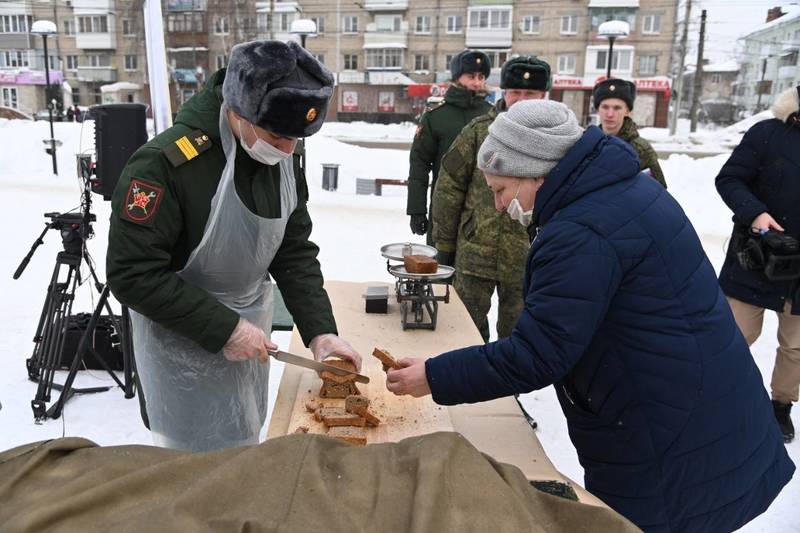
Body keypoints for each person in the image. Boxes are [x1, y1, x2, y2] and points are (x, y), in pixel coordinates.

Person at [385, 100, 794, 532]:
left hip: (663, 437)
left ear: (537, 172)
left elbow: (536, 354)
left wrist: (434, 376)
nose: (500, 205)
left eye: (501, 190)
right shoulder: (627, 189)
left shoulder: (581, 233)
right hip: (706, 411)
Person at [107, 40, 361, 452]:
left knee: (243, 448)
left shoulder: (283, 158)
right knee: (191, 475)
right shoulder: (165, 165)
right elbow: (132, 274)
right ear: (239, 111)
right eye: (277, 136)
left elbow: (292, 250)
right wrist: (225, 327)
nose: (286, 149)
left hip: (249, 345)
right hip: (181, 353)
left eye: (296, 139)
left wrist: (321, 333)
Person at [432, 55, 551, 343]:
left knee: (519, 336)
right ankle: (470, 386)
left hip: (527, 258)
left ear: (543, 96)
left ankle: (509, 391)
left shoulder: (554, 140)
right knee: (464, 332)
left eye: (530, 94)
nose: (521, 101)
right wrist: (444, 248)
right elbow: (449, 189)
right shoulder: (478, 132)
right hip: (475, 251)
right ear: (504, 93)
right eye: (515, 93)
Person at [715, 85, 800, 443]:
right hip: (756, 256)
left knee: (796, 347)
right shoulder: (767, 133)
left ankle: (780, 406)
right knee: (734, 335)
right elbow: (729, 179)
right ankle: (720, 398)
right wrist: (756, 213)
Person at [407, 49, 492, 245]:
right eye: (471, 76)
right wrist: (416, 209)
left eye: (481, 77)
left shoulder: (493, 116)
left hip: (484, 210)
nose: (477, 82)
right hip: (443, 208)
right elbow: (419, 164)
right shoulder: (436, 116)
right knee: (440, 267)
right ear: (456, 78)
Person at [592, 78, 667, 188]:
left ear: (627, 111)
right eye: (605, 107)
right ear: (598, 109)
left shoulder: (641, 149)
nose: (610, 114)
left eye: (617, 108)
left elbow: (657, 192)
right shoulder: (588, 144)